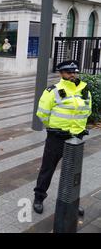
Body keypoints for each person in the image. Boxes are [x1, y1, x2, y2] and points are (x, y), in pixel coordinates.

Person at [34, 60, 91, 216]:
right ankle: (38, 198)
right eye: (68, 72)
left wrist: (78, 129)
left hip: (76, 139)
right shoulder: (53, 91)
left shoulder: (84, 90)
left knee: (73, 172)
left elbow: (87, 111)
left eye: (74, 72)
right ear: (61, 73)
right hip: (56, 138)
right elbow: (42, 113)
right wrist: (53, 128)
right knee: (47, 169)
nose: (72, 75)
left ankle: (71, 201)